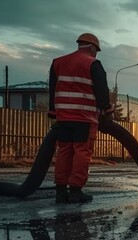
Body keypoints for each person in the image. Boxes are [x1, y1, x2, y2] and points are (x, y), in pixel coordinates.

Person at [48, 33, 112, 203]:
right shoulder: (93, 63)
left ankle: (61, 191)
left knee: (64, 151)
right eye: (96, 50)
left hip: (63, 118)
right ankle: (75, 190)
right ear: (92, 48)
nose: (96, 53)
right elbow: (102, 90)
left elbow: (52, 89)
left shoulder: (58, 62)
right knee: (82, 152)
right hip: (84, 117)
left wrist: (53, 113)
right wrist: (107, 110)